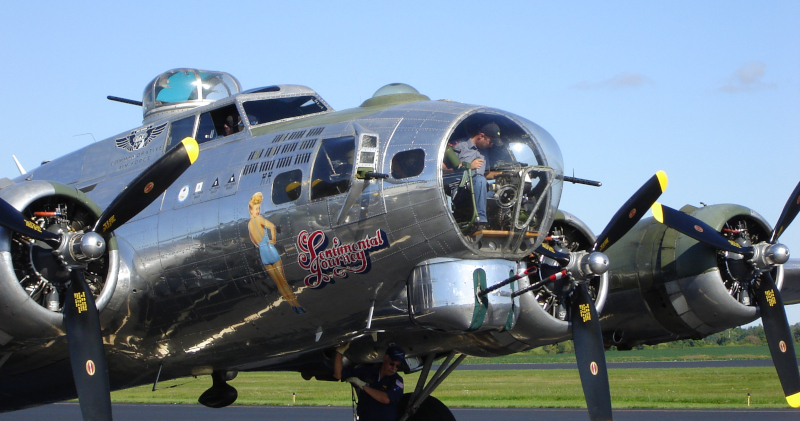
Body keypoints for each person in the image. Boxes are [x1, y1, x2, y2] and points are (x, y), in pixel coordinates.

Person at [247, 192, 306, 314]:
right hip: (270, 250)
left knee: (278, 282)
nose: (258, 211)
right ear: (251, 210)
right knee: (283, 280)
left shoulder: (249, 224)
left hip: (263, 253)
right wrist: (273, 240)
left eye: (258, 209)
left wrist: (260, 245)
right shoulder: (259, 219)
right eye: (256, 209)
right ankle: (297, 304)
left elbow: (252, 239)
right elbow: (272, 227)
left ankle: (292, 305)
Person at [450, 122, 503, 230]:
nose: (491, 145)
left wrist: (502, 175)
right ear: (481, 136)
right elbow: (442, 168)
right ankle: (480, 221)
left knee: (501, 192)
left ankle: (502, 223)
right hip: (460, 190)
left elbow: (484, 174)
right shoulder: (459, 145)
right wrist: (468, 166)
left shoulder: (484, 153)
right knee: (479, 180)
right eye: (491, 142)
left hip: (479, 187)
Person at [333, 343, 405, 421]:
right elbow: (338, 375)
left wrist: (363, 385)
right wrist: (339, 353)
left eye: (397, 366)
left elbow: (385, 399)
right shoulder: (367, 372)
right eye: (392, 364)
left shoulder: (397, 381)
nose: (394, 368)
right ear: (385, 359)